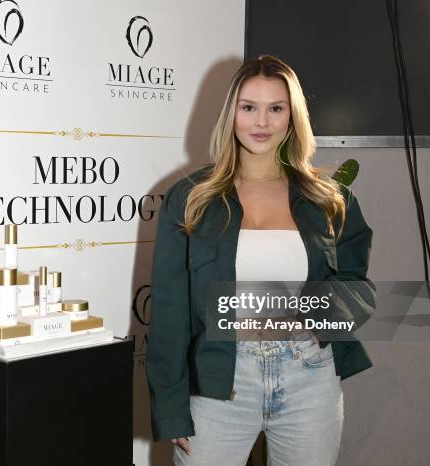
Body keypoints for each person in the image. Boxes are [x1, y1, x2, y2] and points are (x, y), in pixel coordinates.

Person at [146, 55, 376, 466]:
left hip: (308, 374)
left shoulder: (329, 200)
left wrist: (315, 318)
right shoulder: (191, 198)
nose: (261, 122)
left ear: (292, 117)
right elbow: (169, 310)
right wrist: (170, 404)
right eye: (249, 107)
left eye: (276, 109)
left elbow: (358, 287)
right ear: (231, 112)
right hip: (219, 381)